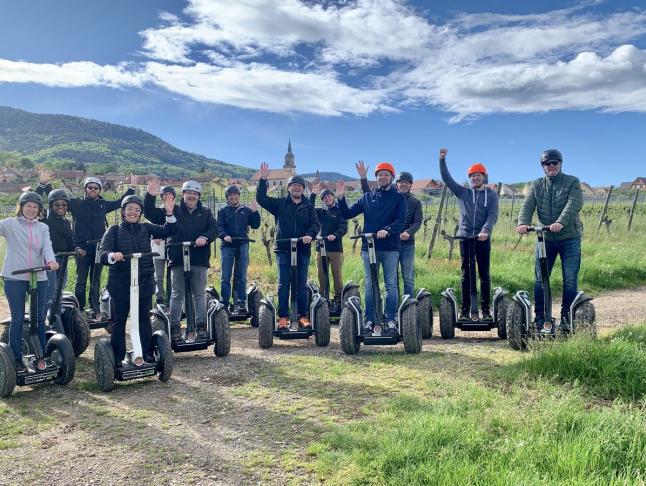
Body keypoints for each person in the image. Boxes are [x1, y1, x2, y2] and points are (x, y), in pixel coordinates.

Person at [37, 171, 136, 316]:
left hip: (99, 248)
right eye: (90, 187)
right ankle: (79, 309)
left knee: (95, 279)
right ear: (85, 189)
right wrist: (44, 184)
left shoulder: (103, 204)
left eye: (96, 188)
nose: (93, 190)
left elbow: (120, 202)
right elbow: (57, 198)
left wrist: (132, 188)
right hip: (81, 247)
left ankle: (95, 308)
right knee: (81, 280)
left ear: (99, 190)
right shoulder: (76, 203)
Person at [100, 195, 176, 365]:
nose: (133, 213)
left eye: (137, 210)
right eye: (130, 209)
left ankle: (146, 353)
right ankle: (118, 357)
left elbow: (168, 231)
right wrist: (113, 255)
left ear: (140, 213)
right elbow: (103, 253)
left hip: (143, 280)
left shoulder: (146, 228)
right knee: (119, 321)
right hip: (120, 282)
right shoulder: (113, 230)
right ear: (123, 211)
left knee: (143, 319)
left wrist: (169, 213)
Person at [517, 149, 583, 331]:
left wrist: (561, 222)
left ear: (561, 164)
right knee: (541, 279)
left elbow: (574, 203)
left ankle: (567, 319)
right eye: (548, 164)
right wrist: (523, 222)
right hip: (545, 238)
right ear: (543, 167)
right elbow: (527, 205)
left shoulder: (572, 182)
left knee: (569, 279)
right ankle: (541, 320)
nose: (551, 166)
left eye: (555, 162)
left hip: (569, 237)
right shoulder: (536, 185)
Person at [336, 161, 406, 334]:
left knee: (390, 284)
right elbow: (347, 213)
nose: (382, 177)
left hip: (390, 247)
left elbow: (400, 221)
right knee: (370, 284)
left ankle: (390, 319)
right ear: (376, 178)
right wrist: (340, 199)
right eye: (380, 175)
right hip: (369, 247)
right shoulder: (367, 197)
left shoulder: (398, 197)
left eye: (386, 174)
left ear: (391, 177)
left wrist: (387, 230)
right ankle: (370, 320)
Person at [145, 179, 217, 342]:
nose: (192, 196)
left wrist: (205, 237)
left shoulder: (205, 212)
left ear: (198, 196)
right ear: (183, 194)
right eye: (188, 193)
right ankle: (175, 327)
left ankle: (200, 326)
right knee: (177, 293)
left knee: (199, 293)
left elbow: (214, 229)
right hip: (177, 257)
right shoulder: (173, 210)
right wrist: (150, 196)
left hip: (199, 258)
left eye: (195, 194)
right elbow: (151, 215)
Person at [255, 163, 320, 329]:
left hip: (302, 249)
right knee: (284, 283)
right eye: (294, 185)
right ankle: (283, 316)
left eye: (299, 186)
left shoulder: (308, 206)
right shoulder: (280, 204)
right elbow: (261, 199)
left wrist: (309, 235)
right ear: (289, 188)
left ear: (303, 189)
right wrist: (263, 180)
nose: (297, 188)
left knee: (301, 283)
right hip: (283, 249)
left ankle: (302, 315)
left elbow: (315, 224)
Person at [0, 192, 59, 372]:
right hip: (15, 276)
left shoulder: (42, 228)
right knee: (17, 317)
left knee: (39, 318)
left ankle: (41, 356)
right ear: (21, 206)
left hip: (38, 275)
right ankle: (16, 358)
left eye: (35, 207)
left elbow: (47, 247)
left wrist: (50, 261)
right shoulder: (9, 224)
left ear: (39, 210)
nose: (32, 210)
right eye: (29, 206)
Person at [439, 149, 499, 321]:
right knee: (466, 274)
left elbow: (492, 215)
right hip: (465, 237)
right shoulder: (462, 192)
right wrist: (442, 160)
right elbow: (446, 179)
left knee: (484, 274)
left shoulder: (491, 195)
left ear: (484, 177)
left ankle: (486, 310)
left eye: (478, 175)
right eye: (472, 176)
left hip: (482, 239)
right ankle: (465, 310)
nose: (475, 178)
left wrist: (485, 231)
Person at [34, 182, 86, 318]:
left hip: (62, 261)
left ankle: (54, 318)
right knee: (49, 292)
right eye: (57, 204)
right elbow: (33, 201)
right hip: (47, 261)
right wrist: (41, 185)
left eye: (64, 205)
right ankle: (41, 319)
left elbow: (70, 241)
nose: (61, 207)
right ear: (51, 205)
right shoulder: (43, 219)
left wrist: (77, 249)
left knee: (59, 292)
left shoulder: (65, 222)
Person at [217, 185, 261, 313]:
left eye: (235, 194)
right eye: (230, 195)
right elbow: (219, 227)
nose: (233, 196)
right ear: (227, 197)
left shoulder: (245, 210)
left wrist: (254, 212)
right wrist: (225, 236)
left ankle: (241, 302)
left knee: (242, 275)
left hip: (242, 243)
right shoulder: (223, 211)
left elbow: (256, 225)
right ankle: (224, 302)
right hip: (227, 245)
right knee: (225, 275)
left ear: (239, 196)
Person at [309, 184, 347, 312]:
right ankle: (322, 298)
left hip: (335, 248)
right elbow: (309, 208)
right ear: (323, 200)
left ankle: (338, 301)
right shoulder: (320, 212)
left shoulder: (339, 211)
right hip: (321, 248)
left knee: (337, 276)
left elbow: (343, 228)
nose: (327, 199)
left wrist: (335, 236)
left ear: (333, 197)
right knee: (321, 275)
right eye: (324, 198)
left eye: (329, 196)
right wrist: (313, 195)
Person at [150, 185, 177, 305]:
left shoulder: (178, 211)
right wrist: (154, 236)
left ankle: (172, 298)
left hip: (173, 246)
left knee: (172, 275)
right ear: (161, 197)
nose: (168, 197)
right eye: (165, 195)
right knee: (158, 275)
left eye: (170, 195)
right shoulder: (157, 212)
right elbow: (151, 227)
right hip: (159, 245)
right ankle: (160, 298)